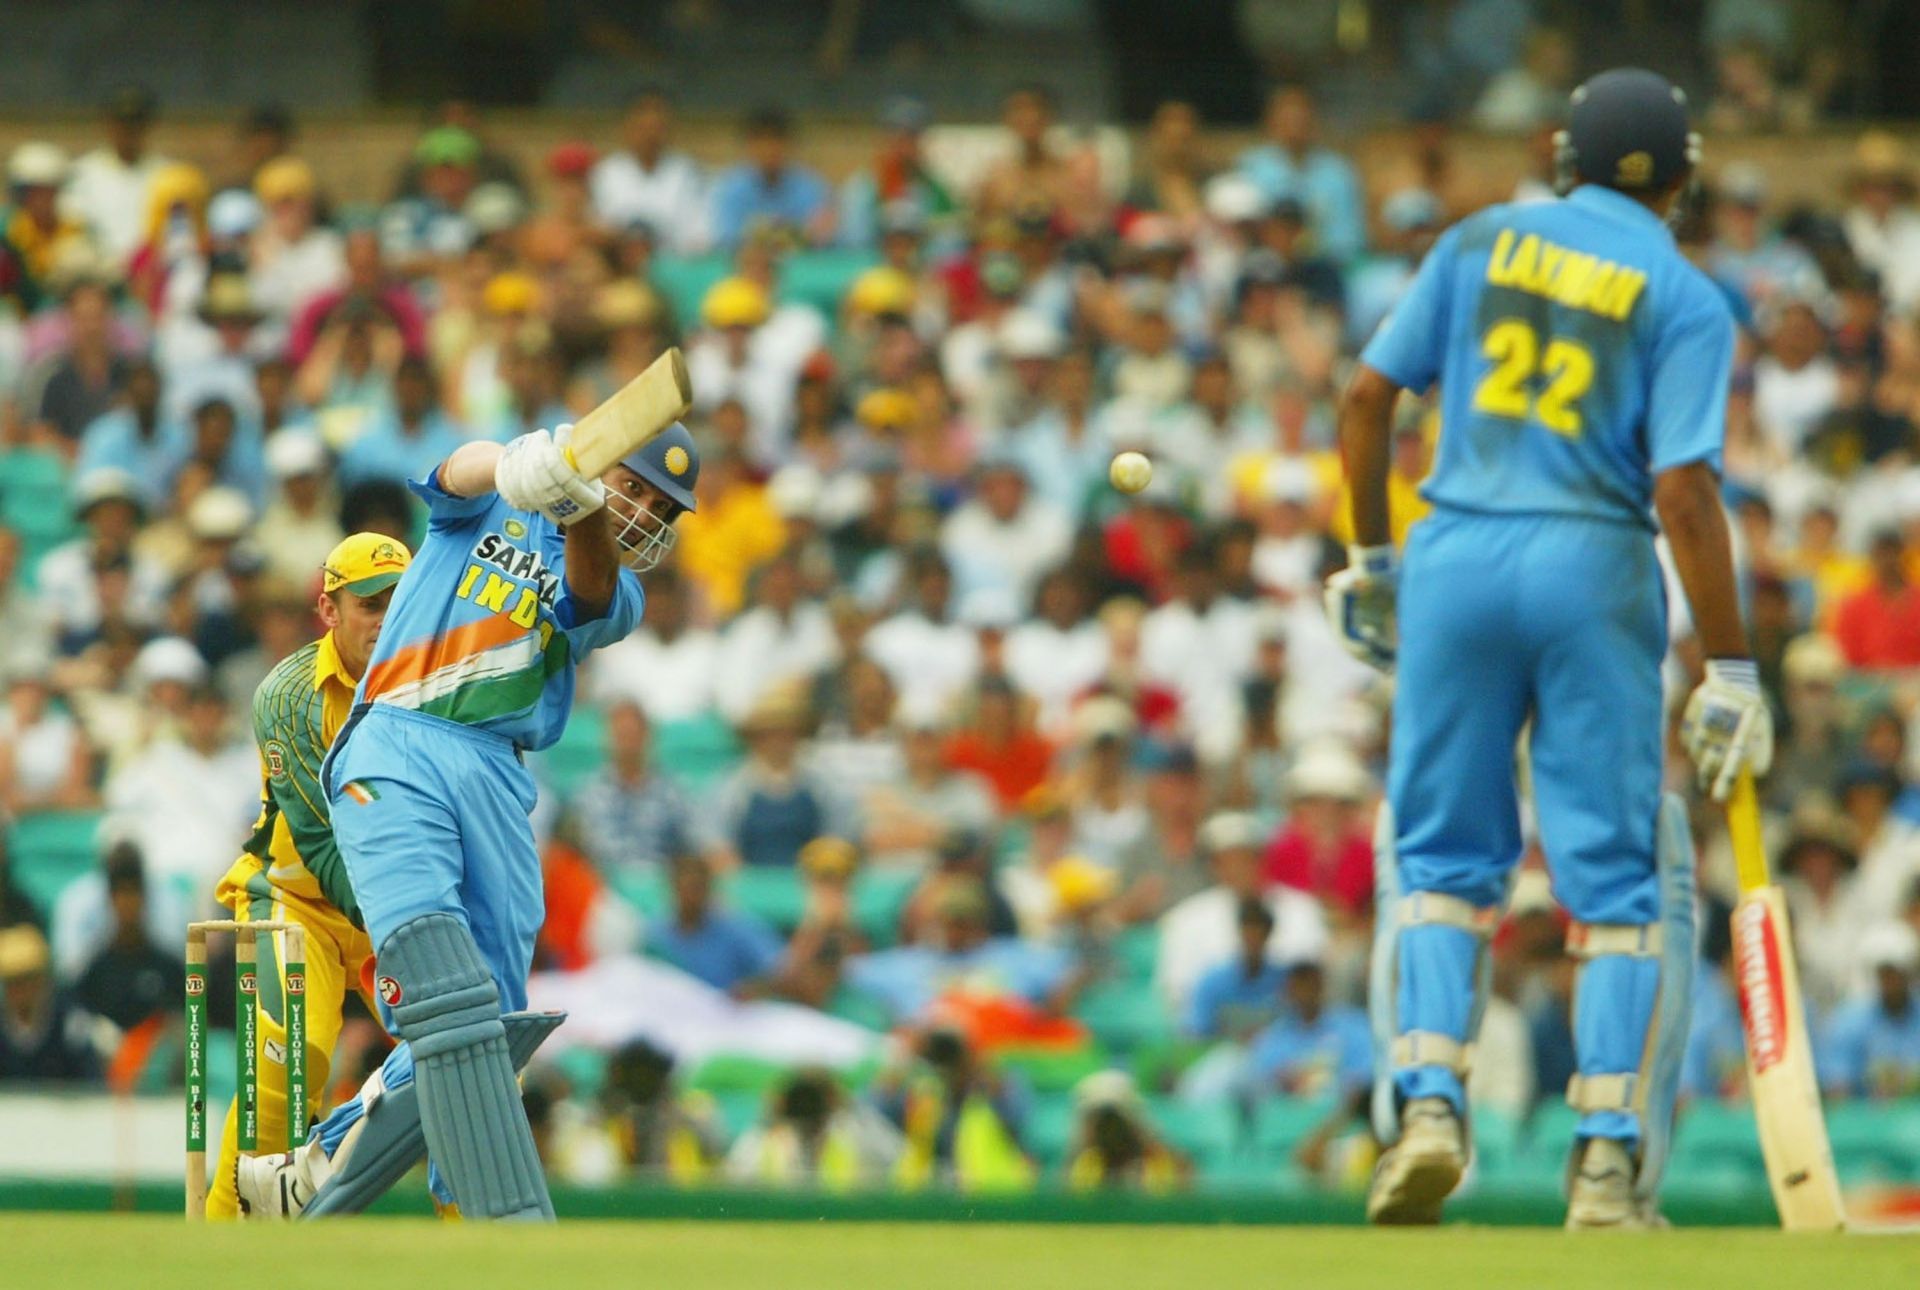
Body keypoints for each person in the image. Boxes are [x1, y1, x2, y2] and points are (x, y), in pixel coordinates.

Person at [1326, 69, 1768, 1228]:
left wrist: (1374, 563)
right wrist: (1732, 667)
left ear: (1564, 154)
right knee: (1615, 884)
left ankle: (1426, 1106)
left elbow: (1367, 402)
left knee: (1438, 861)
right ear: (1680, 180)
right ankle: (1606, 1164)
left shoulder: (1476, 241)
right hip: (1592, 566)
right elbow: (1681, 490)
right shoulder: (1684, 292)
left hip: (1456, 554)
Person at [236, 413, 702, 1220]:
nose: (646, 518)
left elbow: (588, 592)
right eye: (639, 491)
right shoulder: (502, 499)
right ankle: (490, 1216)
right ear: (602, 464)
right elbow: (453, 473)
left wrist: (583, 503)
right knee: (441, 980)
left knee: (491, 1028)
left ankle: (318, 1175)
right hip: (400, 734)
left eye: (662, 512)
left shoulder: (617, 586)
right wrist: (519, 462)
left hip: (495, 777)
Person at [199, 531, 411, 1219]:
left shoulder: (434, 683)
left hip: (397, 904)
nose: (385, 619)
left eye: (399, 603)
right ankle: (224, 1242)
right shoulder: (285, 696)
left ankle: (481, 1248)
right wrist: (407, 932)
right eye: (369, 604)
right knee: (293, 1065)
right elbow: (323, 843)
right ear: (328, 610)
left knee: (463, 1069)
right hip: (299, 900)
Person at [646, 853, 784, 998]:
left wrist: (752, 989)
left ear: (708, 888)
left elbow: (778, 969)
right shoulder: (654, 933)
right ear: (672, 887)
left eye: (696, 888)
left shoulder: (736, 926)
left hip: (727, 1012)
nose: (690, 896)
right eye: (684, 888)